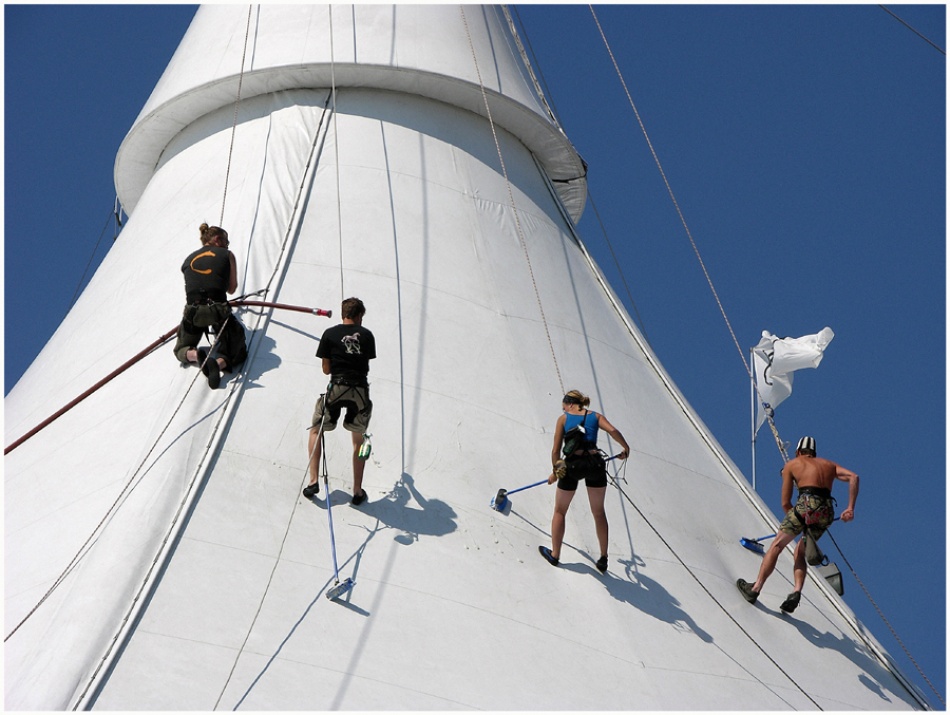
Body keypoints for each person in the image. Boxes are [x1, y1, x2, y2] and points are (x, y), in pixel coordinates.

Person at [737, 436, 859, 612]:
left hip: (805, 507)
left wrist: (797, 521)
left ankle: (755, 588)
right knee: (799, 552)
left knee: (777, 545)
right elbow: (853, 477)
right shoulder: (829, 465)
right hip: (826, 512)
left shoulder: (792, 465)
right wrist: (850, 508)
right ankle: (796, 591)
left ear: (798, 452)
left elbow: (785, 503)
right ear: (814, 454)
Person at [539, 390, 630, 573]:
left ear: (569, 404)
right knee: (598, 512)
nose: (564, 410)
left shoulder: (563, 420)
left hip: (572, 466)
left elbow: (556, 451)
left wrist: (555, 472)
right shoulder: (595, 416)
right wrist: (625, 447)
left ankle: (555, 555)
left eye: (564, 407)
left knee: (560, 511)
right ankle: (603, 558)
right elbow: (612, 430)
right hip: (595, 464)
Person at [303, 297, 376, 505]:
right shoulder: (368, 335)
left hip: (337, 387)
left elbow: (326, 369)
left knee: (316, 430)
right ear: (359, 315)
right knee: (358, 440)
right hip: (360, 390)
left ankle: (314, 480)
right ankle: (357, 490)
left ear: (343, 313)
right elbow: (363, 363)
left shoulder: (329, 334)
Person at [173, 223, 247, 388]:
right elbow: (232, 289)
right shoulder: (227, 254)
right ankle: (219, 363)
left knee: (180, 348)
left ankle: (194, 355)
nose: (228, 245)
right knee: (238, 348)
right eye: (226, 241)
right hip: (217, 309)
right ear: (217, 239)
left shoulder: (187, 259)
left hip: (192, 311)